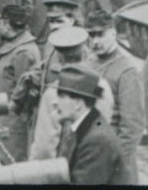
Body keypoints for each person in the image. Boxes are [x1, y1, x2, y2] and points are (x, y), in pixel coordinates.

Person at [27, 23, 115, 161]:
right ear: (84, 53)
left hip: (66, 167)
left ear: (59, 57)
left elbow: (44, 149)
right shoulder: (102, 85)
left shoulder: (53, 94)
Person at [84, 8, 146, 185]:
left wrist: (115, 160)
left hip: (115, 159)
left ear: (113, 33)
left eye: (100, 35)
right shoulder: (88, 63)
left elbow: (133, 126)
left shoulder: (127, 71)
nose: (95, 41)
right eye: (91, 35)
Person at [51, 64, 129, 185]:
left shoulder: (97, 140)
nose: (54, 102)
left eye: (61, 96)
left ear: (78, 104)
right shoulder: (85, 127)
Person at [0, 3, 40, 162]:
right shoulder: (16, 46)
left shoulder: (23, 53)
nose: (0, 27)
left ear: (7, 24)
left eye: (1, 23)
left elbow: (25, 92)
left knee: (14, 163)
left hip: (16, 124)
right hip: (7, 119)